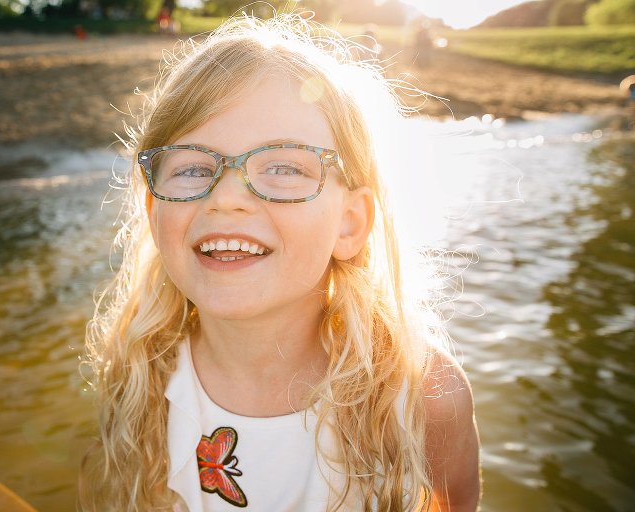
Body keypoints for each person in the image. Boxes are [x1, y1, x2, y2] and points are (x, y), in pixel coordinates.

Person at [81, 13, 480, 512]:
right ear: (153, 210)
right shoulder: (140, 374)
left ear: (350, 223)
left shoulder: (421, 397)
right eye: (193, 168)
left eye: (284, 166)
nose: (227, 198)